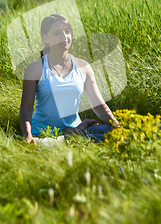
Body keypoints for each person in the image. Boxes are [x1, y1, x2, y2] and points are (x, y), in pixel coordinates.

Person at [19, 14, 120, 144]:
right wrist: (27, 137)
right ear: (45, 38)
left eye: (67, 31)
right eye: (57, 33)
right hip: (45, 135)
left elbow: (99, 105)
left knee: (111, 132)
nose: (64, 36)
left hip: (76, 130)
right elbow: (26, 110)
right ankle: (71, 136)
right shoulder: (35, 69)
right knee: (99, 140)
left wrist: (117, 125)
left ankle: (77, 131)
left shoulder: (84, 67)